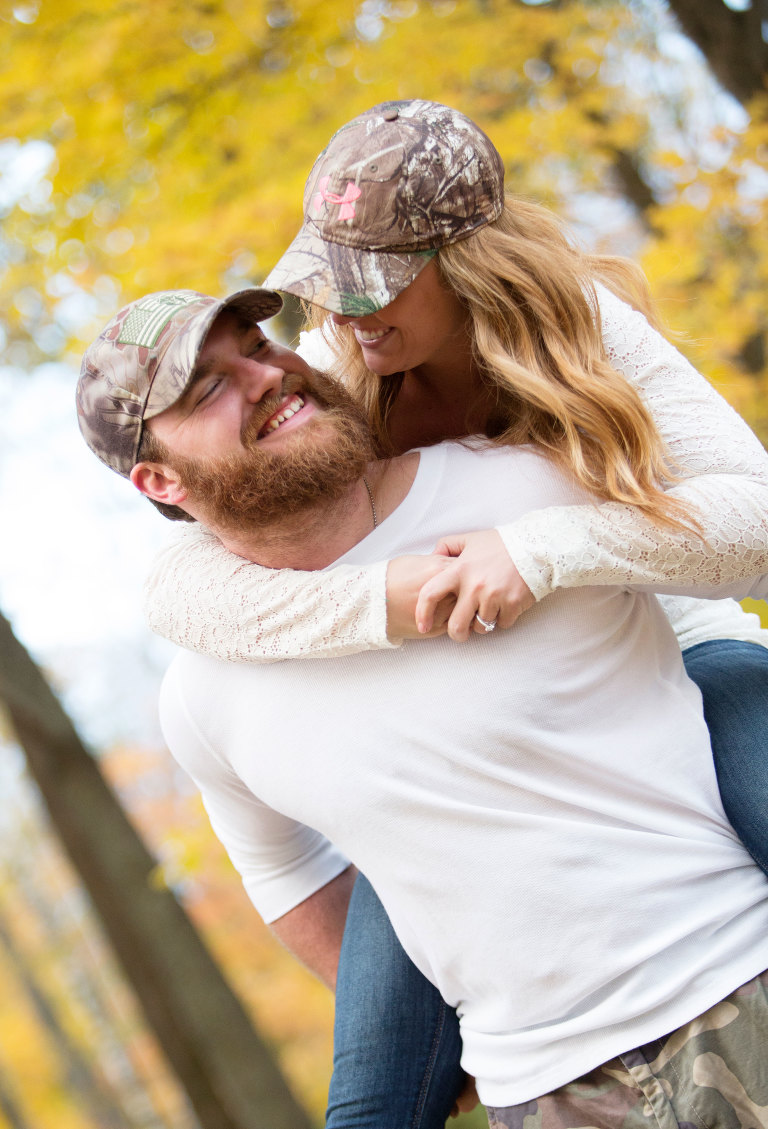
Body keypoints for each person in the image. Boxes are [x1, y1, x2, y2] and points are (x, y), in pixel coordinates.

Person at [136, 102, 768, 1124]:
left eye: (382, 284)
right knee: (373, 1093)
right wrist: (390, 603)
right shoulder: (342, 369)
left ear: (468, 260)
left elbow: (758, 516)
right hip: (481, 758)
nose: (348, 315)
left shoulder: (588, 332)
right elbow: (182, 586)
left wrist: (547, 552)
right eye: (330, 282)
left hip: (680, 651)